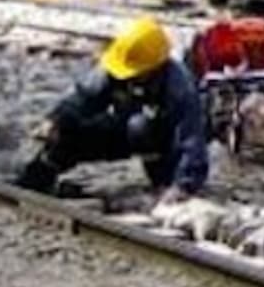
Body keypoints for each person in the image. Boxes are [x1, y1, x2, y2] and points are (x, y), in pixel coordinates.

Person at [15, 17, 210, 203]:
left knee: (141, 126)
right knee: (68, 128)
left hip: (159, 142)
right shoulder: (115, 69)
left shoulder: (179, 87)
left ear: (153, 68)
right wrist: (55, 121)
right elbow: (84, 98)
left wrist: (183, 186)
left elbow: (191, 140)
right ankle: (39, 176)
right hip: (124, 129)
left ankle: (164, 181)